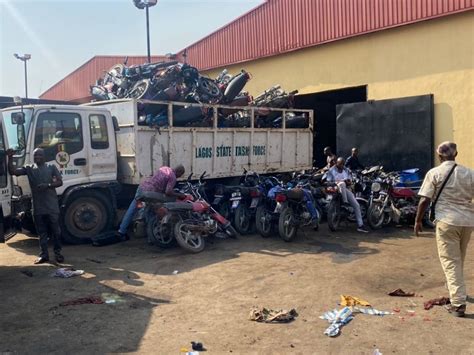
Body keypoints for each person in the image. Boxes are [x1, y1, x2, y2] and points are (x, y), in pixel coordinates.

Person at [415, 141, 473, 317]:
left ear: (439, 156)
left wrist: (417, 220)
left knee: (450, 261)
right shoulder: (469, 173)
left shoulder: (435, 173)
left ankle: (458, 304)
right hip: (467, 222)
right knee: (458, 258)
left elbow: (425, 200)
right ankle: (456, 290)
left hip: (447, 222)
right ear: (456, 154)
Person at [7, 148, 64, 264]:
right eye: (35, 155)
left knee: (56, 231)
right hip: (38, 206)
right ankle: (44, 255)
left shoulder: (51, 167)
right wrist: (10, 157)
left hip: (51, 205)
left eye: (39, 155)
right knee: (41, 232)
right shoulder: (29, 168)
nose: (37, 157)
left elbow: (60, 182)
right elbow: (13, 171)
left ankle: (58, 253)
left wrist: (48, 185)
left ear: (44, 156)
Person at [117, 165, 186, 239]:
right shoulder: (173, 177)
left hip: (141, 189)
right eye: (180, 175)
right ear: (179, 172)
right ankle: (151, 237)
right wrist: (180, 195)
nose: (179, 177)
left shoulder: (164, 168)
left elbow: (158, 181)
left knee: (133, 209)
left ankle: (121, 231)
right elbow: (168, 192)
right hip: (150, 194)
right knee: (152, 211)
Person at [326, 157, 369, 233]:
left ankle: (360, 225)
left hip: (345, 189)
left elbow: (350, 182)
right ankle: (345, 203)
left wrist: (348, 182)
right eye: (340, 164)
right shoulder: (331, 170)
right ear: (337, 163)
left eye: (343, 164)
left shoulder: (346, 170)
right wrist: (336, 182)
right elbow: (327, 181)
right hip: (335, 188)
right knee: (341, 184)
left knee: (356, 205)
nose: (342, 166)